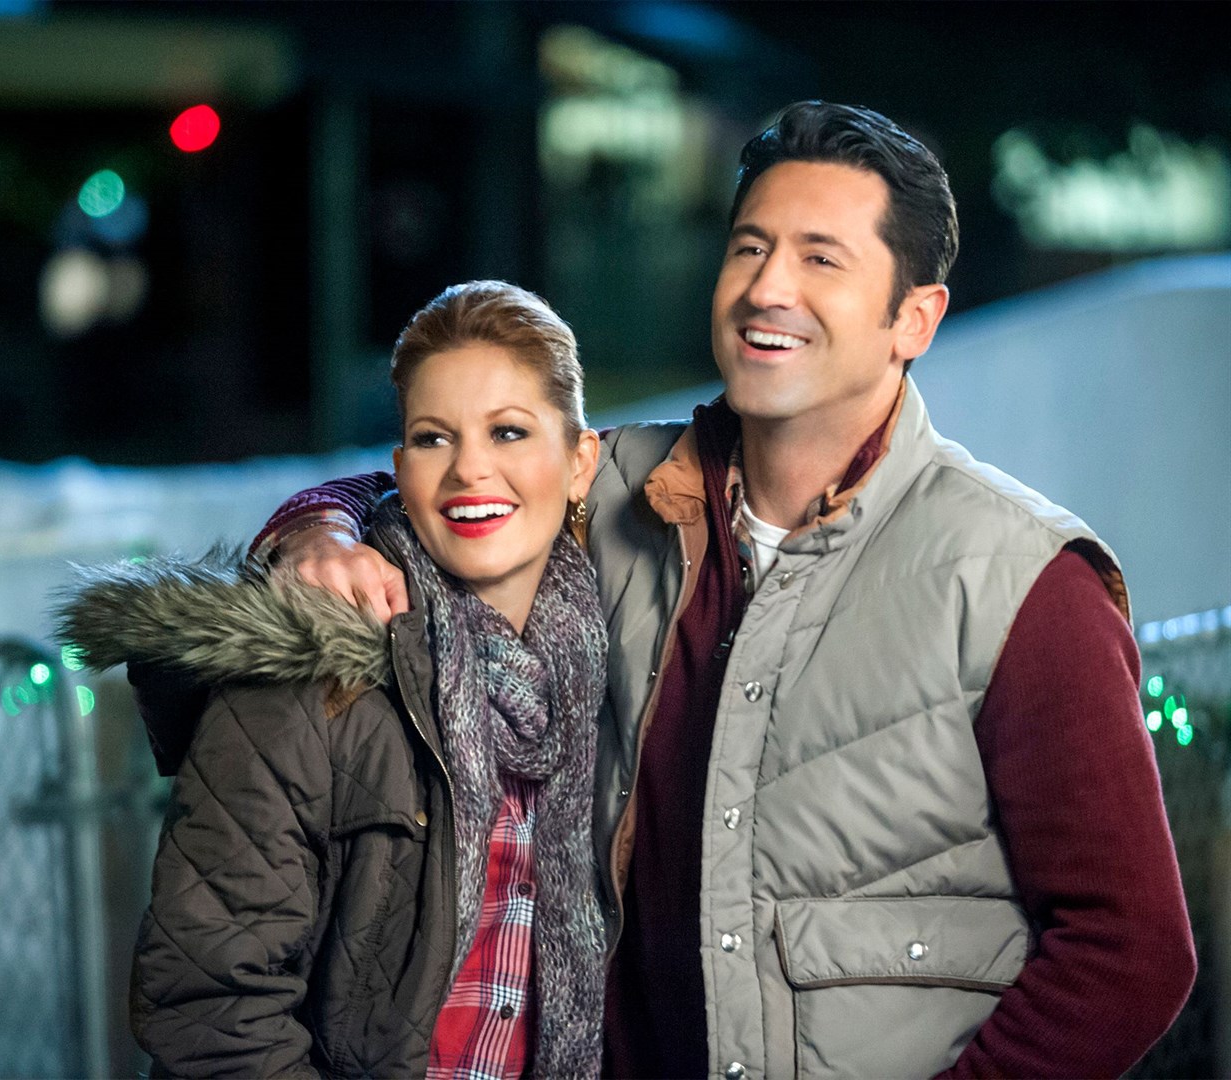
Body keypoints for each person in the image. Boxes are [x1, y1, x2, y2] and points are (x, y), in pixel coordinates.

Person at [161, 103, 1197, 1077]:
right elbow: (444, 481)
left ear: (913, 319)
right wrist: (319, 529)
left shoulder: (1022, 580)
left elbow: (1131, 951)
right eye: (749, 247)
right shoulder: (618, 488)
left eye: (820, 258)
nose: (767, 288)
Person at [58, 281, 609, 1078]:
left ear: (582, 462)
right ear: (399, 470)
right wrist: (314, 529)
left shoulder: (620, 646)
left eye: (509, 431)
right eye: (433, 438)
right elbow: (211, 1006)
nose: (469, 469)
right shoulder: (306, 673)